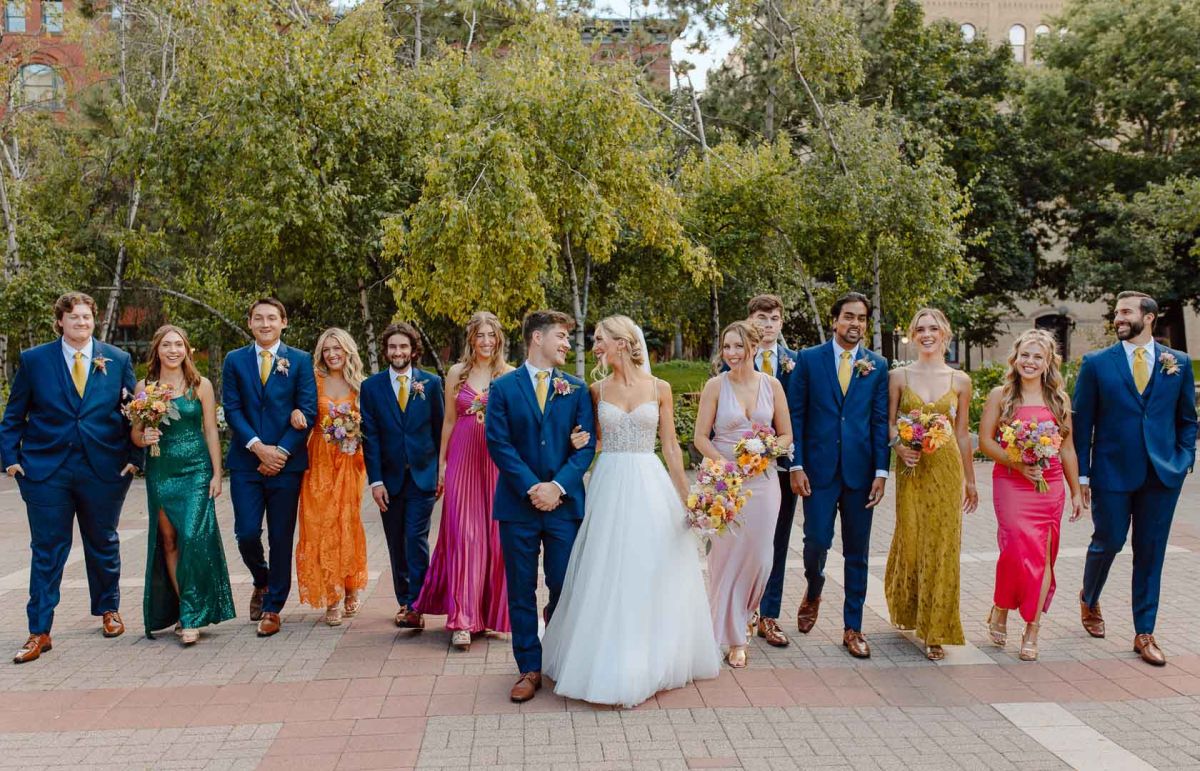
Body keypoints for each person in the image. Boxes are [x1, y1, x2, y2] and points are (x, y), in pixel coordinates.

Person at [542, 316, 719, 706]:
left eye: (599, 339)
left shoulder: (659, 387)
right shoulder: (595, 390)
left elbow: (670, 447)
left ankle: (650, 654)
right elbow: (593, 443)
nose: (594, 346)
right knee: (607, 567)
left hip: (648, 482)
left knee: (649, 566)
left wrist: (688, 497)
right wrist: (577, 441)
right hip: (608, 482)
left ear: (621, 342)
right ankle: (606, 655)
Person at [1, 292, 140, 663]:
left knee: (103, 542)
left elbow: (134, 413)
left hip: (104, 468)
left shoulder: (117, 359)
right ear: (60, 321)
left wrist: (135, 459)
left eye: (87, 317)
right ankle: (39, 630)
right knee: (47, 550)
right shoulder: (35, 360)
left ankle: (109, 608)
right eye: (74, 317)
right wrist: (11, 461)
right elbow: (14, 415)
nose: (82, 322)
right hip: (47, 471)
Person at [1074, 291, 1196, 666]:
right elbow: (1082, 423)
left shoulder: (1178, 362)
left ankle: (1144, 632)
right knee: (1109, 540)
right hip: (1111, 472)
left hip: (1162, 475)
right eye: (1116, 313)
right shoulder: (1097, 363)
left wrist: (1184, 458)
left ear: (1150, 317)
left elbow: (1187, 419)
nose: (1119, 318)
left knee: (1150, 552)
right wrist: (1082, 475)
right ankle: (1089, 597)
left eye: (1126, 312)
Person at [485, 310, 596, 703]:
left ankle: (558, 646)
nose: (567, 343)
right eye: (561, 336)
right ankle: (529, 668)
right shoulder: (503, 387)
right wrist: (533, 487)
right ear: (537, 338)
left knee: (564, 583)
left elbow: (585, 448)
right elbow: (498, 443)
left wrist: (557, 487)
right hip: (518, 505)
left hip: (564, 506)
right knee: (520, 588)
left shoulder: (577, 389)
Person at [787, 292, 889, 659]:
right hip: (818, 471)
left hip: (861, 472)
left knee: (857, 552)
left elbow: (880, 421)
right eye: (848, 316)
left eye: (861, 318)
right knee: (815, 541)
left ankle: (853, 628)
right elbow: (795, 415)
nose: (855, 324)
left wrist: (881, 471)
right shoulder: (808, 360)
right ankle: (814, 587)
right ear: (835, 321)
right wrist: (796, 464)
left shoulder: (877, 365)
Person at [979, 328, 1083, 661]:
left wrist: (1076, 491)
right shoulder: (1001, 395)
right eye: (1025, 354)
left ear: (1048, 362)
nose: (1030, 361)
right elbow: (985, 442)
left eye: (1038, 356)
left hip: (1048, 486)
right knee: (1012, 550)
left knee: (1042, 557)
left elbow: (1067, 449)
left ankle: (1032, 628)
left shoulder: (1059, 400)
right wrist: (1018, 463)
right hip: (1011, 481)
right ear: (1015, 357)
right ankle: (1001, 605)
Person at [695, 320, 792, 668]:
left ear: (753, 347)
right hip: (724, 484)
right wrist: (726, 466)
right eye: (727, 347)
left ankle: (747, 617)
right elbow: (700, 438)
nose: (732, 353)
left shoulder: (772, 385)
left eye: (738, 346)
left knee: (760, 558)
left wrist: (766, 450)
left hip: (763, 482)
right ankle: (733, 637)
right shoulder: (715, 386)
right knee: (724, 561)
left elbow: (786, 435)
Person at [415, 312, 514, 650]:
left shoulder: (509, 374)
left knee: (494, 537)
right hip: (461, 458)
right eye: (480, 335)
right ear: (471, 339)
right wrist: (442, 465)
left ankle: (488, 614)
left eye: (491, 335)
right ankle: (462, 619)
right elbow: (448, 420)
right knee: (464, 536)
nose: (486, 341)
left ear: (498, 339)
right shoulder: (457, 373)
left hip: (495, 462)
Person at [884, 308, 977, 661]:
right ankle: (910, 610)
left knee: (942, 544)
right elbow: (888, 423)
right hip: (911, 468)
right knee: (911, 538)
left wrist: (970, 480)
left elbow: (962, 434)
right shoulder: (898, 377)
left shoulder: (960, 381)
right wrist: (899, 446)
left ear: (944, 334)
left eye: (933, 328)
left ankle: (935, 629)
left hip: (946, 467)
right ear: (912, 335)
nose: (926, 334)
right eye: (920, 329)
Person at [222, 298, 318, 637]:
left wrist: (280, 453)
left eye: (272, 318)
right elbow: (232, 409)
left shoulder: (301, 360)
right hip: (246, 462)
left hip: (286, 465)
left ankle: (273, 607)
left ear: (283, 322)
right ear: (249, 323)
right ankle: (261, 579)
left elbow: (308, 410)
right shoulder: (234, 360)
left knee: (280, 536)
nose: (265, 324)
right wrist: (258, 448)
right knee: (247, 532)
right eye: (259, 318)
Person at [133, 325, 235, 645]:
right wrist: (144, 437)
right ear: (157, 350)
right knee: (168, 541)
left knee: (192, 537)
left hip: (196, 470)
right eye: (166, 345)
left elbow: (211, 431)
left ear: (187, 349)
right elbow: (135, 433)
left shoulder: (200, 385)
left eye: (178, 344)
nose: (173, 350)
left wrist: (217, 473)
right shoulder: (145, 386)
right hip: (162, 470)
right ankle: (185, 610)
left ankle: (192, 613)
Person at [361, 322, 444, 630]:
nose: (398, 352)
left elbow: (440, 431)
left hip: (423, 476)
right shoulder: (371, 387)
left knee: (415, 538)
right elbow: (370, 438)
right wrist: (376, 481)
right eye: (393, 347)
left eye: (403, 346)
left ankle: (416, 603)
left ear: (413, 350)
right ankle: (404, 600)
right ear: (386, 351)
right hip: (389, 480)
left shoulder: (431, 383)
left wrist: (440, 473)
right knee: (396, 541)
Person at [294, 328, 369, 627]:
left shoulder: (360, 384)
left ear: (348, 350)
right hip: (319, 460)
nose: (332, 354)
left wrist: (356, 437)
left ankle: (350, 588)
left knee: (346, 524)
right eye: (326, 350)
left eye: (337, 348)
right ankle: (332, 596)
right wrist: (296, 413)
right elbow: (300, 406)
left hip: (349, 460)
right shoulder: (313, 380)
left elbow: (369, 424)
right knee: (319, 525)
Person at [741, 295, 800, 648]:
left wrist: (796, 463)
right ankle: (745, 612)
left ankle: (770, 616)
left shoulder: (796, 363)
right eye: (761, 318)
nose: (767, 324)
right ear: (750, 320)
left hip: (783, 467)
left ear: (781, 323)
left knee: (777, 542)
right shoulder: (732, 360)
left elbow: (801, 417)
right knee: (746, 542)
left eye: (774, 318)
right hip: (743, 470)